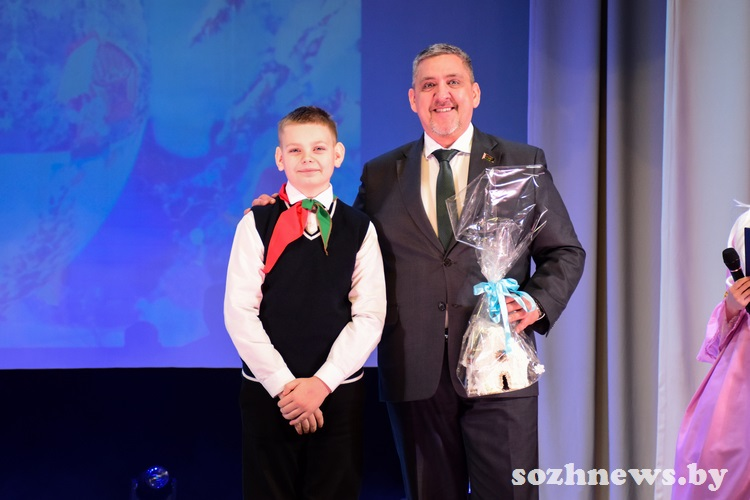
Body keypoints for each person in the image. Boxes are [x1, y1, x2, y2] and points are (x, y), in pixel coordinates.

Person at [252, 44, 585, 499]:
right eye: (429, 85)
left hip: (500, 366)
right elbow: (343, 249)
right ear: (413, 99)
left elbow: (565, 250)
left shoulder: (521, 161)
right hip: (413, 370)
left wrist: (535, 301)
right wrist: (283, 211)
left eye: (453, 82)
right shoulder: (380, 174)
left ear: (475, 93)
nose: (441, 94)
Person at [224, 105, 386, 499]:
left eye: (318, 148)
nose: (307, 158)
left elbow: (369, 315)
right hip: (268, 394)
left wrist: (322, 383)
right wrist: (285, 387)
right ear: (280, 158)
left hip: (338, 393)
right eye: (295, 150)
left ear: (338, 154)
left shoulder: (360, 228)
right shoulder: (256, 222)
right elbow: (239, 312)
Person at [672, 207, 750, 499]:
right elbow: (718, 341)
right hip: (741, 378)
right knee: (722, 462)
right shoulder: (747, 222)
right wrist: (733, 304)